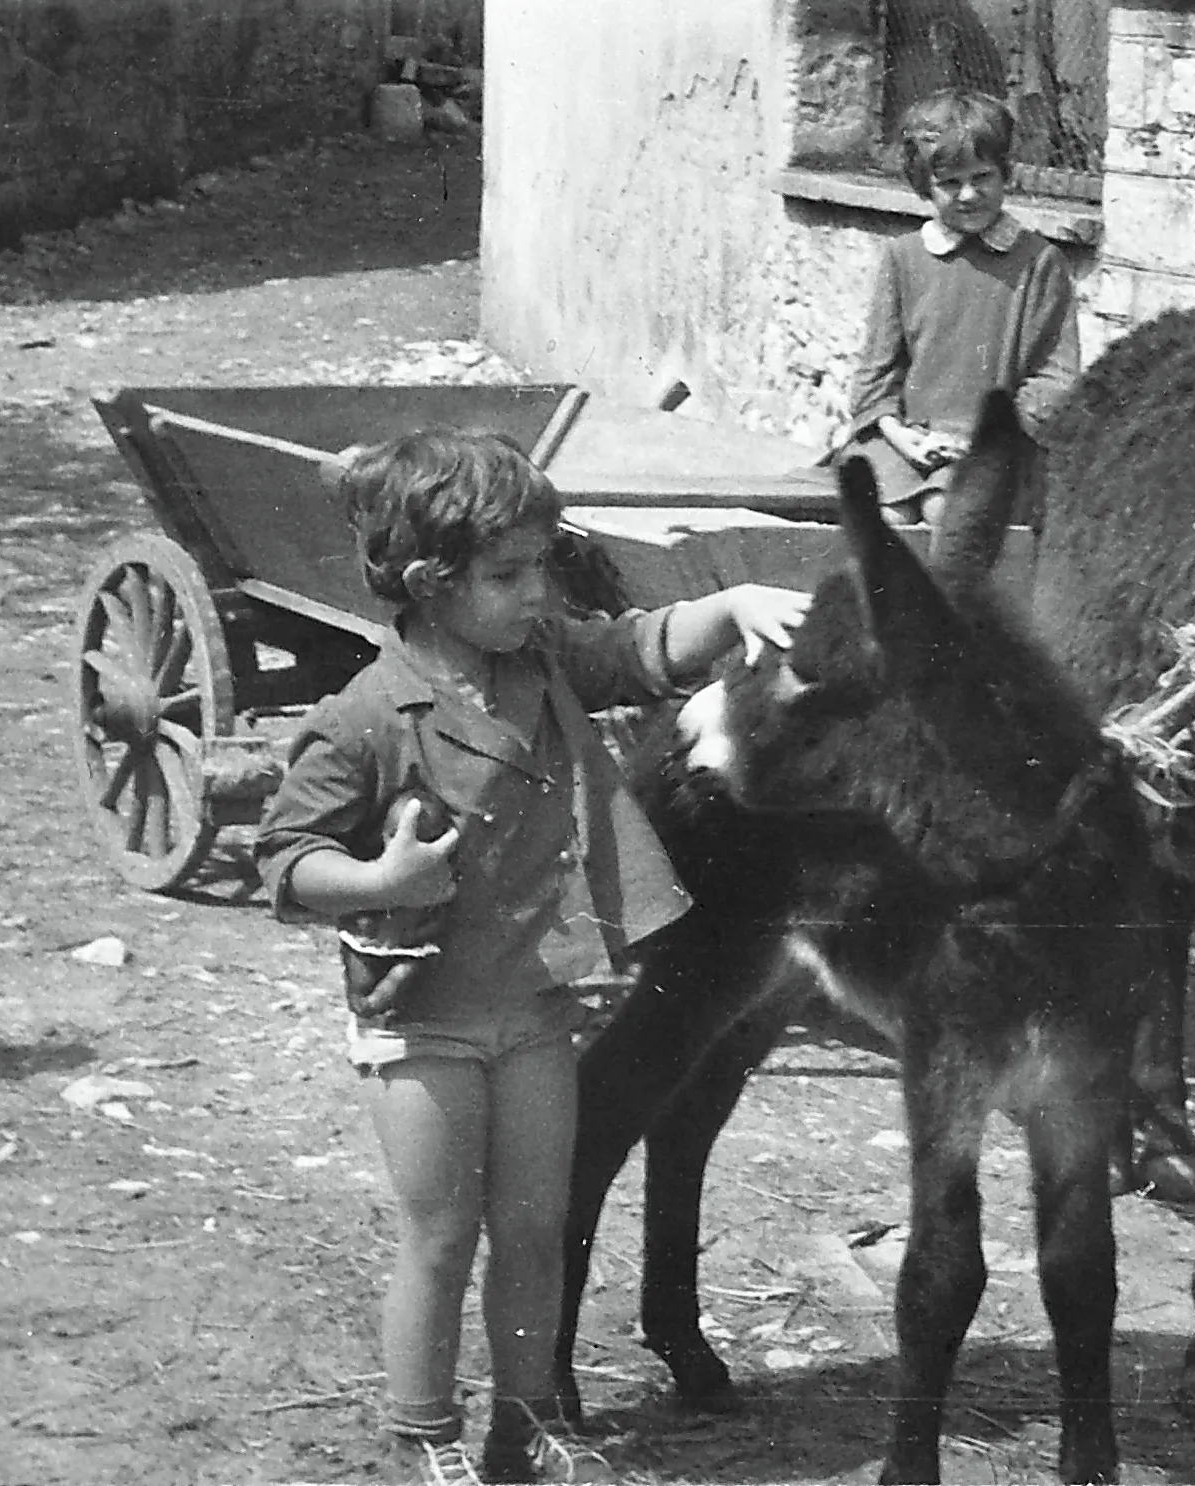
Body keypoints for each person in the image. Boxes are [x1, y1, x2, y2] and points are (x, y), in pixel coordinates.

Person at [253, 429, 808, 1485]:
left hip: (535, 1006)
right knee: (441, 1231)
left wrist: (730, 607)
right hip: (423, 1016)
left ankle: (529, 1422)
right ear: (429, 582)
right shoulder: (366, 715)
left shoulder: (541, 657)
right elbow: (287, 856)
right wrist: (375, 882)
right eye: (510, 573)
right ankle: (426, 1433)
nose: (538, 591)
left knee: (533, 1227)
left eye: (543, 564)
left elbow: (640, 644)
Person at [840, 87, 1080, 530]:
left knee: (944, 514)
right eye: (950, 183)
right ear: (925, 187)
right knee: (887, 516)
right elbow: (876, 374)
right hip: (907, 444)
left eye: (982, 177)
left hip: (996, 449)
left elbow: (1054, 377)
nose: (968, 194)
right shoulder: (904, 259)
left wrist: (986, 438)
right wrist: (899, 435)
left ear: (1006, 174)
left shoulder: (1039, 263)